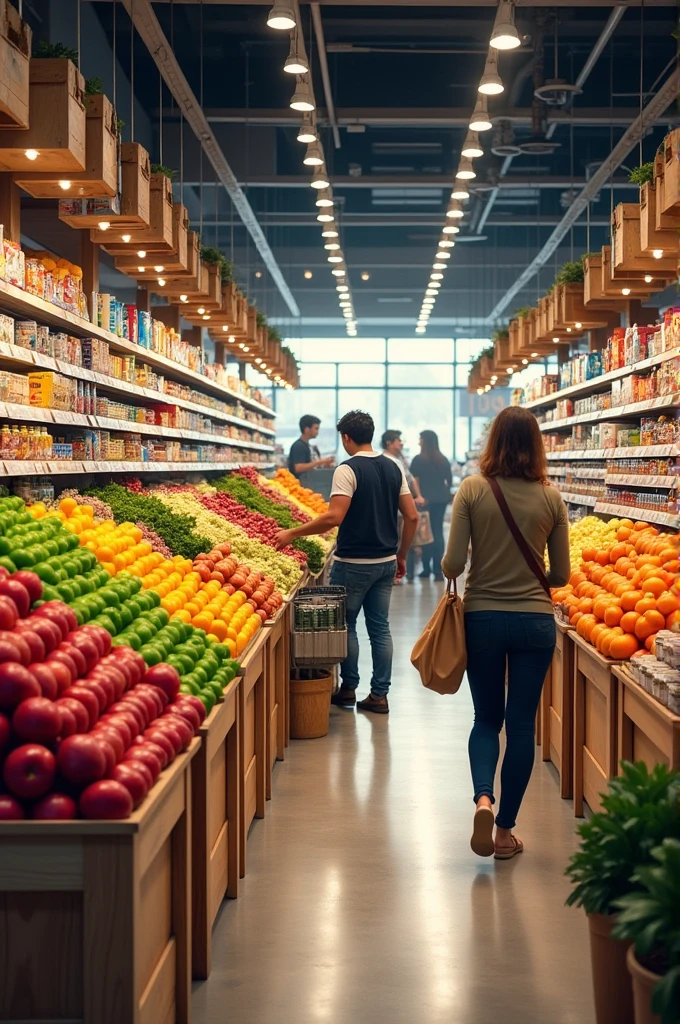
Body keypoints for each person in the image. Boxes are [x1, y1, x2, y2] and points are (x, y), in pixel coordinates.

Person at [441, 406, 570, 860]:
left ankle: (482, 799)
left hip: (483, 621)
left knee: (485, 720)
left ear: (493, 441)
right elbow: (562, 576)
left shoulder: (473, 490)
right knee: (520, 727)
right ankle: (504, 832)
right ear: (536, 446)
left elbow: (454, 565)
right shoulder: (551, 498)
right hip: (535, 621)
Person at [274, 410, 419, 715]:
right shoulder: (394, 467)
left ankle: (349, 689)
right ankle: (379, 694)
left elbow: (333, 517)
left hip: (353, 562)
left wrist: (292, 533)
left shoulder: (347, 469)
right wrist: (402, 554)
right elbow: (412, 516)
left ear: (346, 437)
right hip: (386, 561)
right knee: (380, 628)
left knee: (346, 625)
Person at [381, 429, 425, 583]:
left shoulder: (400, 459)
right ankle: (394, 572)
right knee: (396, 539)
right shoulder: (385, 460)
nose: (401, 442)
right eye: (397, 440)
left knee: (404, 539)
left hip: (402, 507)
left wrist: (418, 496)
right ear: (389, 443)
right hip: (393, 507)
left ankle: (400, 571)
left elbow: (411, 479)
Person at [410, 429, 452, 581]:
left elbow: (415, 480)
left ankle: (426, 568)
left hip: (426, 501)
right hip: (440, 500)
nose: (419, 441)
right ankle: (438, 570)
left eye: (420, 439)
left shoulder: (418, 460)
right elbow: (449, 481)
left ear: (425, 441)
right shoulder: (443, 460)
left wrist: (419, 495)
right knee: (438, 532)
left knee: (426, 533)